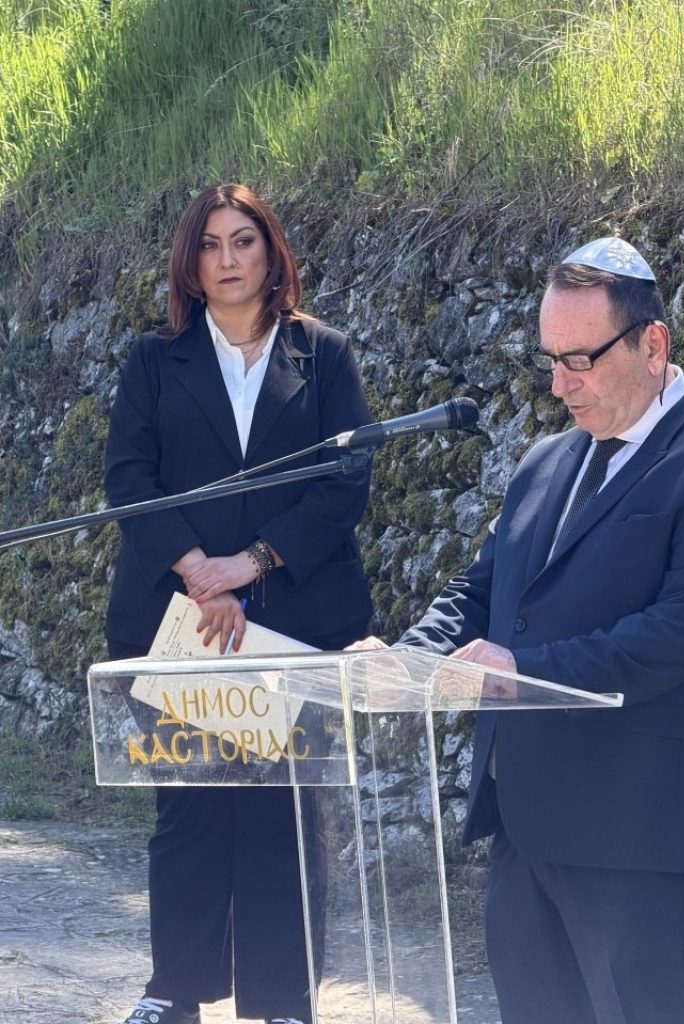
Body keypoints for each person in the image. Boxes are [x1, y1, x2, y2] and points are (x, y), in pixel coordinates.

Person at [353, 237, 684, 1023]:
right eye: (551, 360)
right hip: (527, 827)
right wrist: (410, 659)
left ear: (653, 345)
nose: (560, 385)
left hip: (644, 836)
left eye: (580, 360)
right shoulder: (547, 462)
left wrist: (521, 671)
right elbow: (484, 590)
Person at [105, 183, 374, 1024]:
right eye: (210, 244)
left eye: (243, 241)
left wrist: (249, 564)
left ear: (271, 252)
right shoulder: (154, 361)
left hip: (293, 616)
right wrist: (200, 571)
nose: (228, 259)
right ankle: (173, 990)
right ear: (190, 263)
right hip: (182, 620)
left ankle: (283, 1001)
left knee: (283, 814)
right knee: (188, 807)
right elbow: (129, 480)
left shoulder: (324, 355)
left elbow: (345, 482)